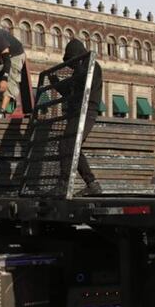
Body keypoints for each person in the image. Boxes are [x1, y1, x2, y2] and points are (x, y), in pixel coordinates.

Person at [50, 39, 104, 196]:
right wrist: (56, 83)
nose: (70, 66)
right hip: (77, 112)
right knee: (73, 147)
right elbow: (69, 90)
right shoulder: (80, 69)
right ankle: (92, 184)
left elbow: (82, 83)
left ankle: (64, 184)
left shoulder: (92, 66)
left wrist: (72, 76)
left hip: (86, 111)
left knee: (68, 145)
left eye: (71, 60)